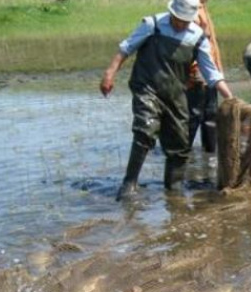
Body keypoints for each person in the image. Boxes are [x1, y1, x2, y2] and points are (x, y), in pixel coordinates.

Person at [100, 0, 234, 201]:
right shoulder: (152, 25)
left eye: (185, 21)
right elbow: (126, 49)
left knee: (180, 143)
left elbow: (212, 74)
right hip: (147, 87)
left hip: (175, 94)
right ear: (171, 13)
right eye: (177, 19)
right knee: (145, 129)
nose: (180, 24)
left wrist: (231, 99)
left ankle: (174, 191)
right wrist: (109, 74)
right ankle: (129, 184)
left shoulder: (198, 37)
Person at [186, 0, 222, 154]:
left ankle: (209, 154)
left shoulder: (202, 7)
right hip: (197, 70)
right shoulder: (190, 7)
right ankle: (182, 153)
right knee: (194, 114)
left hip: (209, 68)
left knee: (210, 113)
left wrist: (218, 70)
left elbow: (211, 42)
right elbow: (192, 39)